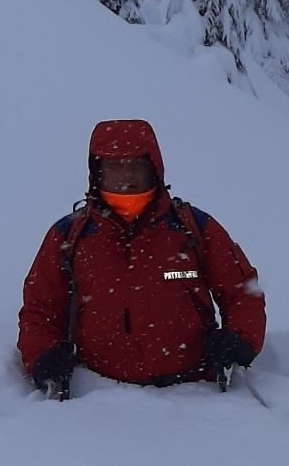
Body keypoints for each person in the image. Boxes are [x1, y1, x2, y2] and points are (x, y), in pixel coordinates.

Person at [18, 119, 266, 393]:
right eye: (115, 166)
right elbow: (40, 309)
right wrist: (42, 355)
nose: (127, 177)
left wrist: (241, 340)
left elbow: (242, 291)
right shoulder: (69, 235)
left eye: (136, 165)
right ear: (96, 172)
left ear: (154, 168)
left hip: (196, 395)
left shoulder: (193, 227)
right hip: (98, 398)